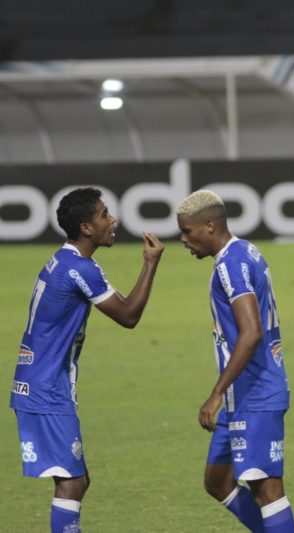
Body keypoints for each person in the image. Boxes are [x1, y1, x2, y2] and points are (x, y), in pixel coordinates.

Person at [10, 187, 164, 533]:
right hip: (46, 388)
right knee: (73, 482)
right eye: (104, 215)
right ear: (86, 228)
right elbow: (128, 316)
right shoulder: (80, 268)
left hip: (38, 382)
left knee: (76, 480)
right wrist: (151, 263)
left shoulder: (63, 260)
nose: (113, 221)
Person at [176, 190, 294, 533]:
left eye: (188, 231)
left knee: (268, 491)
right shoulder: (245, 252)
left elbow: (250, 332)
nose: (184, 240)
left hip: (255, 392)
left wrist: (215, 393)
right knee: (217, 481)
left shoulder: (230, 265)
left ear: (210, 226)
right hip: (240, 396)